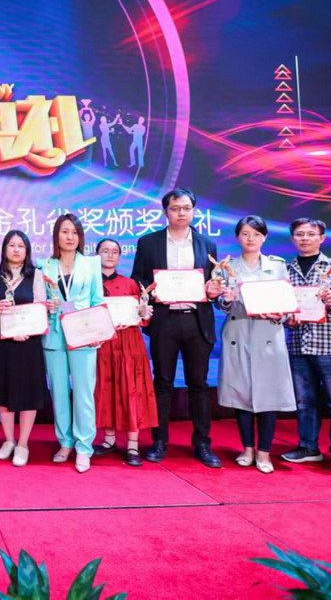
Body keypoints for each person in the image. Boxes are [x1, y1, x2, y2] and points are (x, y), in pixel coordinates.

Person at [131, 188, 224, 468]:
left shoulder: (207, 244)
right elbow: (137, 277)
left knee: (199, 384)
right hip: (165, 320)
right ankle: (159, 441)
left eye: (186, 208)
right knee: (162, 383)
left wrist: (213, 290)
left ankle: (202, 443)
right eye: (175, 208)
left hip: (197, 320)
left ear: (194, 211)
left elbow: (213, 281)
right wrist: (151, 289)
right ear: (165, 212)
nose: (181, 213)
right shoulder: (149, 243)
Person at [214, 216, 296, 474]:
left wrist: (280, 314)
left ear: (264, 237)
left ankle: (264, 452)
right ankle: (247, 449)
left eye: (256, 234)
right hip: (238, 333)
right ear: (237, 237)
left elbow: (288, 302)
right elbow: (221, 305)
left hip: (268, 333)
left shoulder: (278, 266)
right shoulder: (227, 266)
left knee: (269, 395)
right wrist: (226, 299)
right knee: (242, 394)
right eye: (245, 234)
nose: (251, 239)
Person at [281, 218, 331, 476]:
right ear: (292, 238)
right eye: (299, 234)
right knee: (304, 401)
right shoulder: (285, 271)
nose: (305, 238)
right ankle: (308, 447)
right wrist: (287, 318)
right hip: (297, 345)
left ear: (322, 238)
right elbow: (281, 307)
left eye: (311, 234)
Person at [41, 213, 105, 473]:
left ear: (80, 237)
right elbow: (37, 299)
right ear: (56, 235)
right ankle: (65, 442)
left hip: (84, 333)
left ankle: (84, 446)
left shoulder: (91, 264)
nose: (69, 237)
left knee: (83, 392)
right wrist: (47, 305)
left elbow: (97, 300)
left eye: (74, 232)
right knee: (58, 391)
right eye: (64, 232)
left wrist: (98, 329)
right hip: (54, 334)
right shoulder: (44, 265)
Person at [0, 230, 49, 467]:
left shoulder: (36, 275)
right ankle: (9, 440)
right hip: (3, 342)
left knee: (28, 392)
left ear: (27, 250)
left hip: (29, 342)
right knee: (4, 391)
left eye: (21, 246)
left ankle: (23, 444)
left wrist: (27, 330)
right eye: (12, 245)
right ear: (4, 249)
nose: (16, 249)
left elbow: (41, 308)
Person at [92, 239, 156, 468]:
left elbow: (143, 318)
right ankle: (108, 440)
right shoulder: (89, 284)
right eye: (105, 251)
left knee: (131, 389)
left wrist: (143, 313)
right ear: (96, 254)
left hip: (129, 343)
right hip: (103, 342)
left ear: (120, 256)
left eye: (115, 252)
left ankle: (132, 445)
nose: (110, 255)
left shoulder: (131, 284)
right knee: (106, 388)